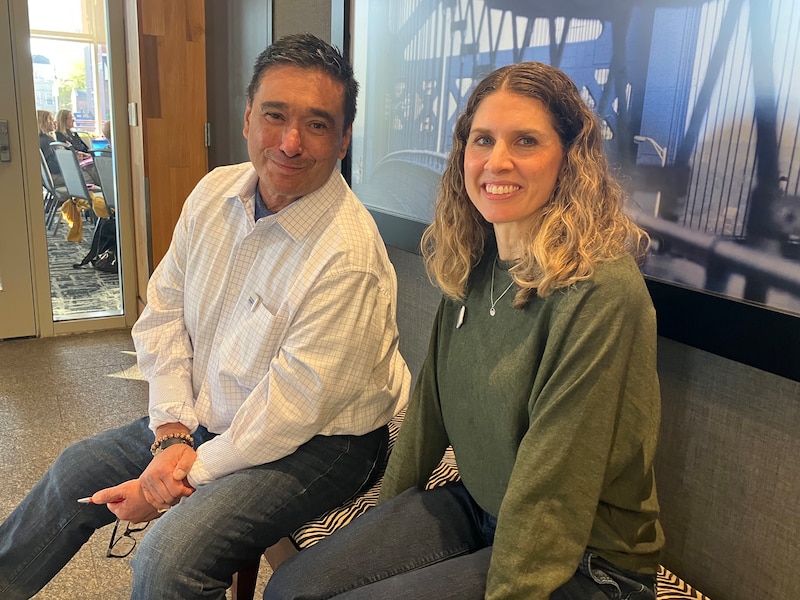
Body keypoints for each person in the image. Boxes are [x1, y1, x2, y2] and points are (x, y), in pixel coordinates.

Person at [0, 33, 410, 599]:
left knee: (169, 558)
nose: (290, 143)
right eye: (274, 116)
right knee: (73, 472)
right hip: (207, 413)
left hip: (325, 440)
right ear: (247, 119)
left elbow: (289, 412)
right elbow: (163, 314)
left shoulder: (348, 257)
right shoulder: (214, 193)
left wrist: (174, 479)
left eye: (317, 125)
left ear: (343, 140)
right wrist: (171, 432)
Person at [263, 61, 664, 600]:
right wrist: (380, 534)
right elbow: (427, 409)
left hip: (584, 559)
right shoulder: (478, 262)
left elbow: (553, 490)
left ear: (570, 158)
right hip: (479, 506)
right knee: (292, 587)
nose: (497, 161)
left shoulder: (601, 294)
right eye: (483, 140)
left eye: (525, 141)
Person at [37, 109, 63, 186]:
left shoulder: (39, 139)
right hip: (55, 177)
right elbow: (53, 166)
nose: (54, 122)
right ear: (43, 123)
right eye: (51, 120)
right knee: (94, 173)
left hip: (45, 179)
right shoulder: (48, 141)